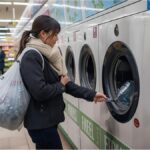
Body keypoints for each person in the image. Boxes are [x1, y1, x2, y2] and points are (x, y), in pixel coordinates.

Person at [17, 15, 107, 149]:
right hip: (41, 124)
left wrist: (92, 94)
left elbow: (67, 84)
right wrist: (61, 85)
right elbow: (40, 92)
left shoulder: (47, 55)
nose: (57, 38)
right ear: (43, 34)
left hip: (46, 121)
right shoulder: (32, 56)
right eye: (54, 35)